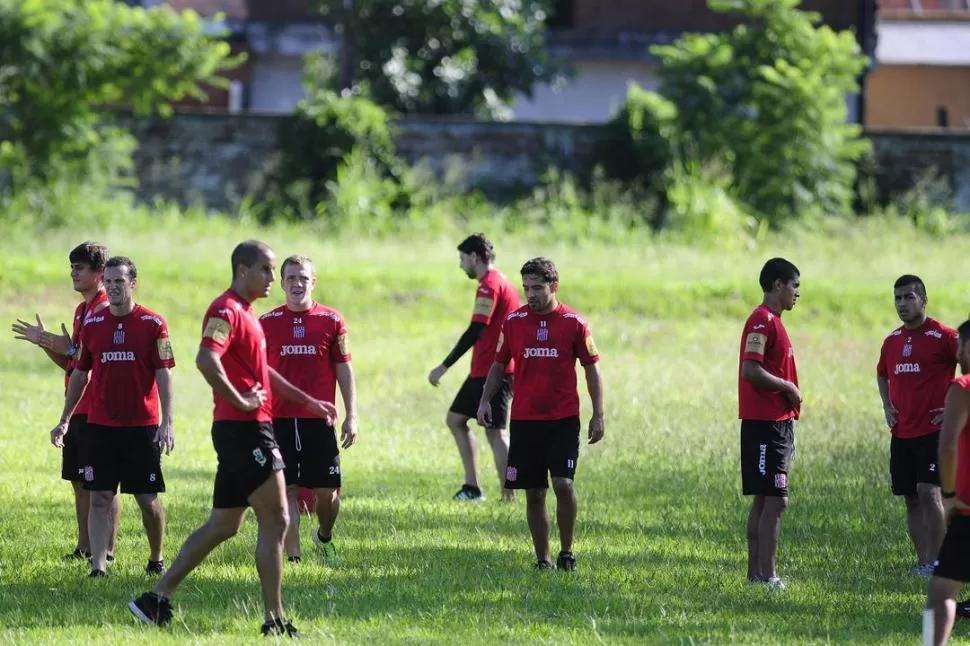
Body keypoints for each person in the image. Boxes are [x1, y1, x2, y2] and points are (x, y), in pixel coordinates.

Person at [128, 240, 338, 638]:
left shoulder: (248, 314)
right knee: (277, 519)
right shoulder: (225, 309)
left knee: (224, 524)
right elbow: (206, 358)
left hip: (243, 428)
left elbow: (264, 373)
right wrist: (241, 399)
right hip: (244, 430)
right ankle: (274, 619)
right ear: (242, 271)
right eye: (267, 270)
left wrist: (308, 401)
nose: (273, 279)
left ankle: (155, 598)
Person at [48, 256, 175, 578]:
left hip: (141, 426)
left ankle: (156, 557)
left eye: (120, 281)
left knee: (146, 499)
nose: (113, 287)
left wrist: (168, 421)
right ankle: (99, 566)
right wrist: (65, 418)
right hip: (100, 426)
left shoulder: (153, 324)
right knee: (101, 495)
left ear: (133, 284)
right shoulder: (93, 324)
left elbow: (164, 373)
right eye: (109, 281)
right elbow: (79, 374)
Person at [476, 257, 603, 571]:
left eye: (537, 288)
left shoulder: (574, 323)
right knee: (534, 491)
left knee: (563, 484)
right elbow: (498, 364)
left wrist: (598, 413)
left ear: (554, 287)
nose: (530, 294)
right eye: (526, 288)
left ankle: (567, 551)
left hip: (562, 419)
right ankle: (543, 559)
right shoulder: (514, 322)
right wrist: (484, 400)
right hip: (524, 419)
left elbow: (591, 368)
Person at [12, 242, 122, 563]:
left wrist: (70, 350)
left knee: (101, 483)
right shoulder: (81, 310)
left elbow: (102, 362)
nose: (73, 273)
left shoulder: (105, 309)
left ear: (99, 274)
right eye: (71, 267)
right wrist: (47, 343)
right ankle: (84, 546)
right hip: (78, 408)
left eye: (80, 267)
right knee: (79, 480)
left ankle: (107, 550)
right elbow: (74, 367)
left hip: (100, 408)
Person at [260, 254, 358, 565]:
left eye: (303, 278)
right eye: (291, 278)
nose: (297, 283)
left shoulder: (332, 320)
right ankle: (294, 558)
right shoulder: (266, 323)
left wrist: (351, 415)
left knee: (327, 494)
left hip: (319, 420)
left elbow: (344, 369)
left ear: (313, 282)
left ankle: (324, 535)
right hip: (280, 420)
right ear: (282, 284)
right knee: (286, 490)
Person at [428, 233, 520, 502]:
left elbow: (476, 330)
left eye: (462, 259)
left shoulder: (489, 285)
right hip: (486, 370)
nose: (461, 265)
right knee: (457, 419)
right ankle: (473, 487)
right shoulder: (501, 281)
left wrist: (444, 366)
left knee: (496, 432)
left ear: (474, 257)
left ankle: (508, 495)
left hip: (495, 371)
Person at [876, 275, 956, 577]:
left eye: (908, 297)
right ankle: (924, 562)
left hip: (934, 431)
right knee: (911, 496)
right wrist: (887, 405)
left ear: (923, 299)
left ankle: (940, 562)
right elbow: (882, 374)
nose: (902, 304)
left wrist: (954, 407)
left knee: (929, 492)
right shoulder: (892, 341)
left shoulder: (943, 336)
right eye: (897, 298)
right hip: (902, 432)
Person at [738, 257, 802, 590]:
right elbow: (752, 370)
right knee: (776, 500)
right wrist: (788, 387)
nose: (797, 293)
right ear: (778, 285)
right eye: (794, 285)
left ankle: (756, 576)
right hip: (766, 424)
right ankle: (767, 576)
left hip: (773, 424)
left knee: (765, 499)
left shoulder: (772, 320)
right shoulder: (762, 321)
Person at [923, 320, 970, 645]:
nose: (956, 353)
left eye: (960, 345)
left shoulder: (963, 387)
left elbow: (948, 444)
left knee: (942, 591)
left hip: (967, 508)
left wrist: (950, 496)